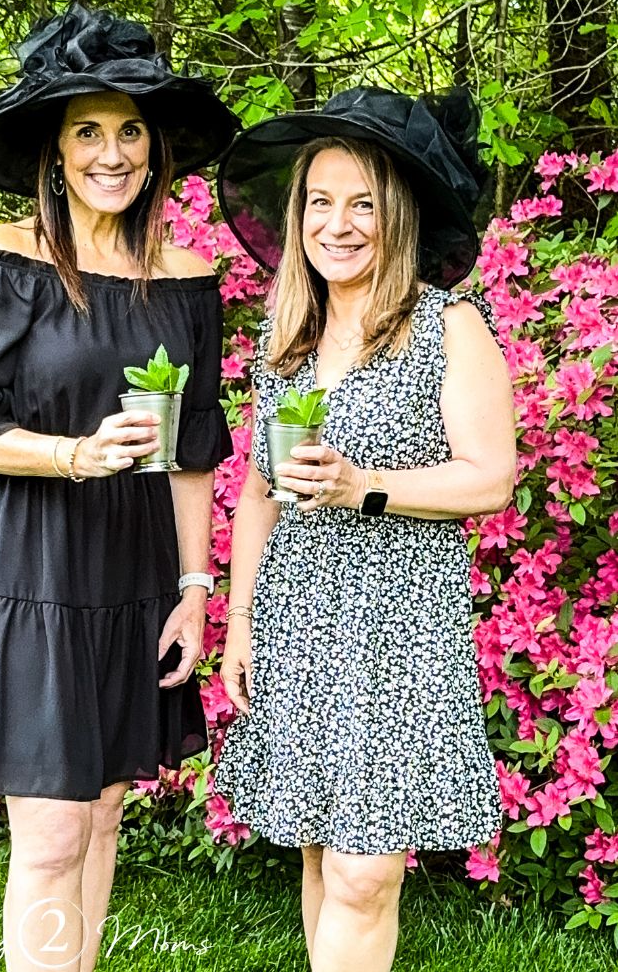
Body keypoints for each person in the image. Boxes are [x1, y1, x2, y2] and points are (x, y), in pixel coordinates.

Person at [0, 3, 237, 972]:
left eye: (129, 129)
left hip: (133, 575)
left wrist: (194, 589)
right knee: (51, 836)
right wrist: (76, 454)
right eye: (87, 129)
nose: (111, 151)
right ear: (54, 149)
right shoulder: (8, 258)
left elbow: (193, 450)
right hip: (29, 569)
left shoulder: (188, 275)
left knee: (98, 824)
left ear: (156, 147)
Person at [214, 86, 517, 972]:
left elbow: (491, 478)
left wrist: (367, 485)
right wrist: (241, 622)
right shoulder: (291, 336)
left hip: (400, 634)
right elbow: (261, 490)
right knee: (318, 849)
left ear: (399, 217)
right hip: (301, 619)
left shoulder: (446, 326)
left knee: (360, 872)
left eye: (362, 205)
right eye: (320, 202)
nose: (337, 225)